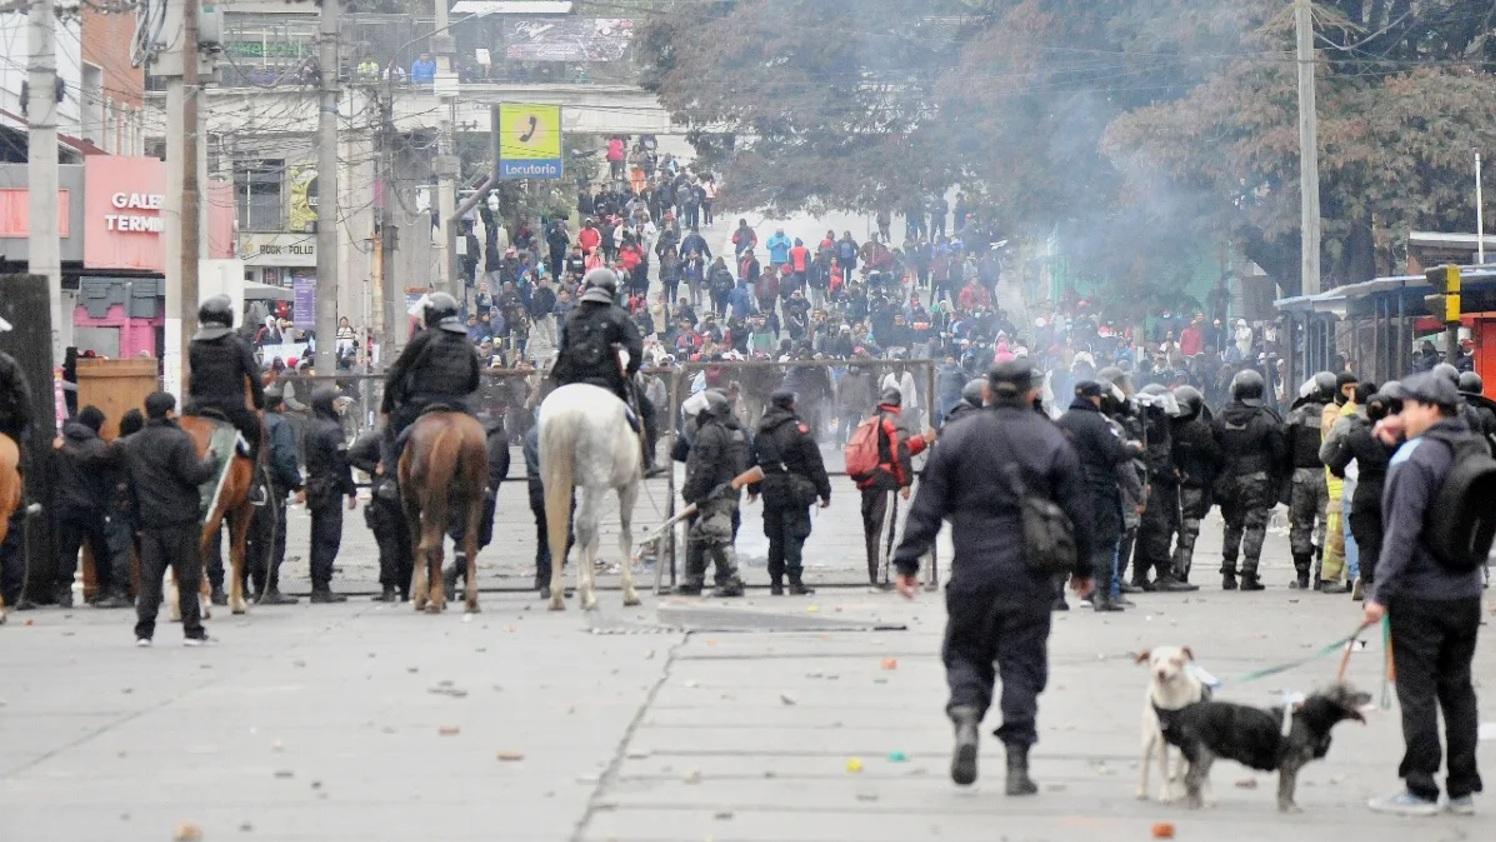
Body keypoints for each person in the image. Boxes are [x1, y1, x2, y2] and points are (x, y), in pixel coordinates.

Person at [891, 361, 1095, 794]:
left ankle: (966, 713)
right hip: (1031, 577)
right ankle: (1017, 763)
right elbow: (1080, 509)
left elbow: (928, 504)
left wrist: (907, 560)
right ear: (1031, 394)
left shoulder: (958, 437)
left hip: (971, 571)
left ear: (986, 394)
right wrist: (1085, 569)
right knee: (1022, 663)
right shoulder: (1052, 439)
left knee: (966, 651)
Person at [1363, 372, 1483, 817]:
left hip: (1419, 596)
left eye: (1408, 407)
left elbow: (1402, 533)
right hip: (1466, 592)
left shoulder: (1412, 459)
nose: (1401, 414)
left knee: (1417, 693)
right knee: (1458, 689)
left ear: (1431, 409)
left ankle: (1420, 788)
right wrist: (1398, 438)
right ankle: (1463, 787)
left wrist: (1380, 592)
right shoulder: (1474, 446)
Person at [123, 392, 219, 646]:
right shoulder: (180, 440)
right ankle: (192, 631)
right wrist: (211, 461)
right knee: (188, 577)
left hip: (150, 522)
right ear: (168, 412)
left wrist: (136, 520)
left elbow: (129, 486)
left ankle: (144, 632)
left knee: (150, 580)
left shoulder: (132, 443)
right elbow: (194, 475)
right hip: (182, 520)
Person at [381, 292, 482, 473]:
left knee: (392, 436)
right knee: (484, 436)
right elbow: (474, 381)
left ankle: (389, 480)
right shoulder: (467, 343)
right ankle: (486, 483)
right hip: (460, 405)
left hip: (422, 404)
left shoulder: (424, 338)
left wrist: (387, 405)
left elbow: (397, 371)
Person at [1057, 381, 1135, 612]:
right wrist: (1133, 448)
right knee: (1104, 541)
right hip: (1097, 490)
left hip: (1066, 489)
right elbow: (1113, 451)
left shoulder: (1061, 422)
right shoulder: (1099, 422)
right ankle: (1100, 595)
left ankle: (1056, 596)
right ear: (1095, 398)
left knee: (1065, 541)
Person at [749, 389, 830, 596]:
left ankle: (775, 582)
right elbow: (814, 461)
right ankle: (795, 581)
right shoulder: (797, 428)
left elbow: (754, 461)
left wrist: (753, 488)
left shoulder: (762, 429)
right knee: (794, 534)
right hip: (795, 487)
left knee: (775, 537)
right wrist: (824, 491)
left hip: (771, 487)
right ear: (790, 404)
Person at [1213, 369, 1285, 590]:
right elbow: (1280, 452)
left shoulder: (1221, 416)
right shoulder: (1267, 418)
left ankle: (1228, 573)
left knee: (1232, 524)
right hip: (1257, 479)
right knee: (1255, 526)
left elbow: (1212, 447)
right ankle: (1248, 574)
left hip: (1228, 478)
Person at [855, 386, 930, 589]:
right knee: (883, 531)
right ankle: (880, 579)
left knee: (871, 530)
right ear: (899, 403)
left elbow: (895, 448)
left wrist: (922, 441)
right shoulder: (894, 420)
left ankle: (875, 576)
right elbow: (900, 453)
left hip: (867, 481)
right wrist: (905, 482)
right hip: (885, 481)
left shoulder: (872, 419)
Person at [678, 390, 748, 597]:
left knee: (718, 535)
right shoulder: (735, 430)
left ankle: (732, 581)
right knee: (698, 536)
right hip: (728, 491)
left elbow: (704, 467)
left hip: (715, 493)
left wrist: (692, 491)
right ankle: (694, 581)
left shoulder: (710, 432)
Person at [186, 295, 266, 476]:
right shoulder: (238, 344)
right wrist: (259, 405)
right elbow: (254, 376)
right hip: (232, 410)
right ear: (228, 317)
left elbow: (194, 377)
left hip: (198, 407)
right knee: (255, 433)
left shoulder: (194, 345)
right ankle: (253, 482)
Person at [52, 405, 116, 607]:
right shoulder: (97, 446)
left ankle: (65, 592)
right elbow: (107, 479)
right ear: (96, 424)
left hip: (67, 505)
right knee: (100, 550)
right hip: (92, 506)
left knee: (67, 550)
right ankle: (104, 589)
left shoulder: (60, 444)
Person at [248, 388, 302, 605]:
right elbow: (284, 456)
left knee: (254, 536)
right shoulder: (280, 424)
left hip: (252, 484)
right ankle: (270, 588)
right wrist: (296, 484)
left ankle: (257, 586)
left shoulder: (252, 422)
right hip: (271, 484)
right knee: (273, 536)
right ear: (281, 405)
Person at [304, 386, 356, 603]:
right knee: (329, 536)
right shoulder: (333, 430)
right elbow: (341, 463)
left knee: (317, 537)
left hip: (315, 486)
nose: (339, 405)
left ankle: (318, 584)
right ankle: (322, 587)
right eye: (335, 402)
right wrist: (351, 490)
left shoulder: (311, 427)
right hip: (330, 488)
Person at [350, 423, 411, 602]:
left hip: (384, 495)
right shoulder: (413, 435)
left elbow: (352, 455)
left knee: (387, 544)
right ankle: (406, 589)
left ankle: (389, 589)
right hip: (407, 496)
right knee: (406, 543)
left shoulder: (377, 436)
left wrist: (373, 467)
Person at [1169, 384, 1221, 587]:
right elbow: (1216, 455)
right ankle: (1179, 572)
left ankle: (1161, 572)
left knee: (1164, 531)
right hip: (1194, 486)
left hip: (1169, 487)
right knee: (1188, 532)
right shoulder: (1199, 431)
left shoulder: (1167, 428)